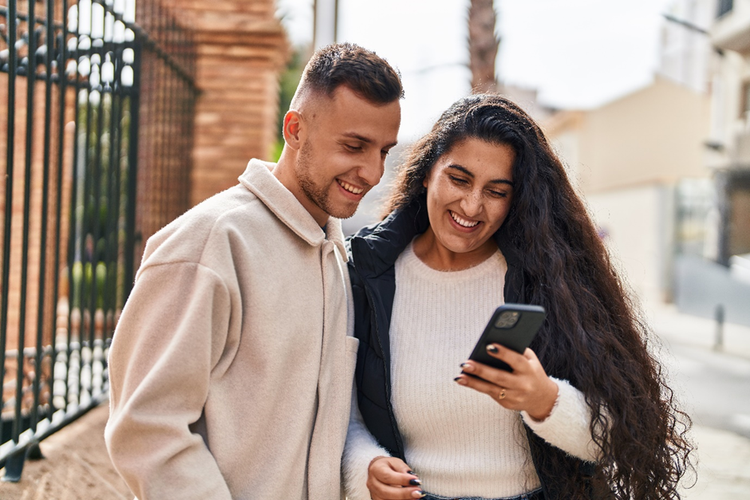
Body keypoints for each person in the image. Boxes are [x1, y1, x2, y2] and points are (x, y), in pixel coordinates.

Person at [343, 94, 693, 500]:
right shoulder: (368, 276)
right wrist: (365, 467)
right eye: (458, 179)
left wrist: (546, 400)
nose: (472, 206)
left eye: (497, 191)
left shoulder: (549, 278)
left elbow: (617, 437)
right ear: (427, 174)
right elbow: (341, 414)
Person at [104, 42, 402, 499]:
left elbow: (329, 417)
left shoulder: (338, 256)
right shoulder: (209, 242)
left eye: (383, 150)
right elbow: (146, 428)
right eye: (354, 145)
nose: (371, 171)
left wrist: (366, 466)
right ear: (295, 129)